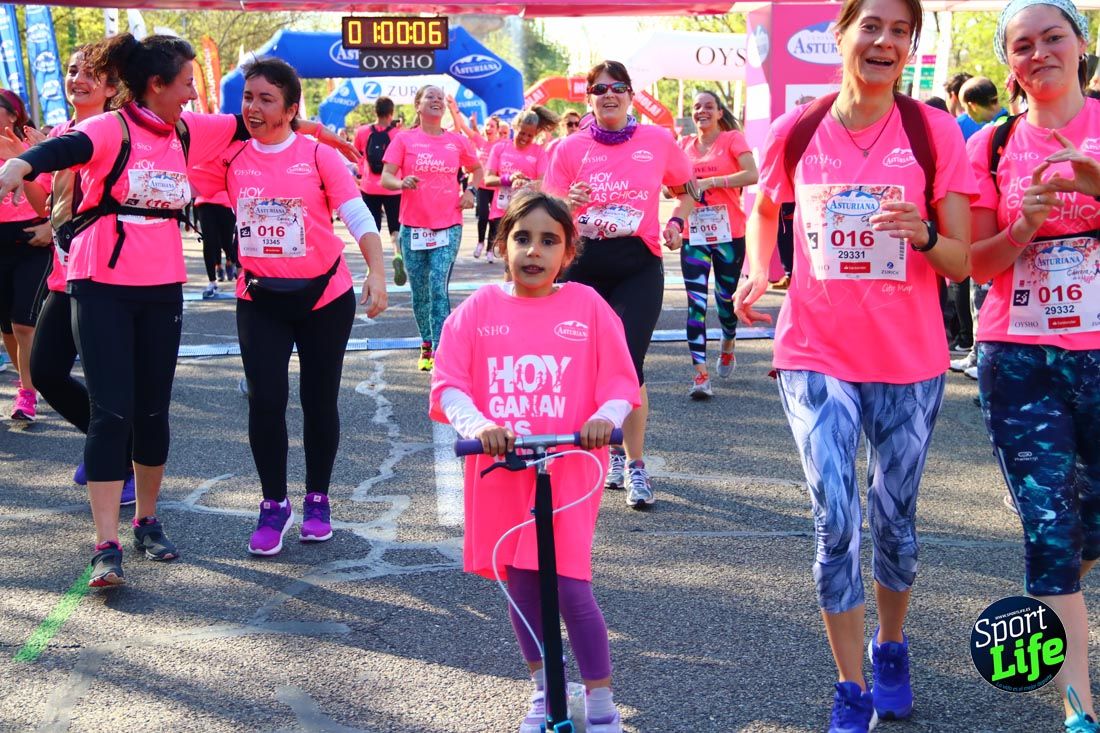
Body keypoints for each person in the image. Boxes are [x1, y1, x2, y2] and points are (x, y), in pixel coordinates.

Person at [0, 33, 353, 588]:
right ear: (157, 85)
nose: (195, 92)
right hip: (100, 281)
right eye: (187, 82)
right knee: (111, 412)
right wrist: (19, 163)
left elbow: (265, 125)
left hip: (162, 284)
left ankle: (147, 521)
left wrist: (321, 134)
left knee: (152, 414)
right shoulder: (108, 128)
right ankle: (105, 543)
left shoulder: (190, 129)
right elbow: (59, 152)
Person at [733, 0, 975, 729]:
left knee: (894, 522)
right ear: (841, 36)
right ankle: (850, 685)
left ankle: (891, 646)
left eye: (901, 31)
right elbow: (765, 206)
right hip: (815, 350)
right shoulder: (798, 128)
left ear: (910, 48)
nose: (885, 41)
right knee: (836, 518)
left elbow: (961, 260)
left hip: (910, 358)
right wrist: (756, 267)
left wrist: (923, 233)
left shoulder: (932, 132)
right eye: (871, 25)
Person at [429, 190, 640, 733]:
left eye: (550, 241)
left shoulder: (587, 306)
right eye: (523, 238)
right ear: (503, 244)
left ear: (569, 253)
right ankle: (545, 689)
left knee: (569, 582)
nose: (534, 251)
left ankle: (599, 698)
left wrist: (603, 417)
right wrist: (481, 428)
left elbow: (620, 380)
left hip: (567, 467)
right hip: (500, 467)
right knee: (521, 584)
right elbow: (450, 385)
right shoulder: (477, 309)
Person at [968, 1, 1100, 729]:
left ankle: (1050, 603)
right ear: (1009, 62)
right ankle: (1079, 706)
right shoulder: (989, 147)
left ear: (1080, 45)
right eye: (1023, 45)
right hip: (1018, 356)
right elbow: (976, 264)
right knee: (1050, 524)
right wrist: (1023, 223)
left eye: (1053, 38)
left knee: (1090, 527)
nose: (1039, 53)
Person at [220, 58, 387, 556]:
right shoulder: (229, 157)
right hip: (259, 298)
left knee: (319, 401)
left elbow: (356, 213)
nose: (253, 107)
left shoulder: (317, 156)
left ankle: (318, 499)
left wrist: (376, 271)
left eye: (266, 98)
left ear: (291, 108)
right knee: (266, 400)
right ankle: (274, 504)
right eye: (248, 97)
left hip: (324, 298)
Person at [543, 60, 693, 510]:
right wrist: (564, 203)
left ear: (630, 95)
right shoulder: (569, 148)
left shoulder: (658, 140)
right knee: (587, 363)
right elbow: (545, 212)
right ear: (588, 96)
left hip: (637, 265)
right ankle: (604, 449)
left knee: (629, 364)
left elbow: (688, 190)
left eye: (619, 88)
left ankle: (636, 465)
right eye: (600, 88)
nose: (610, 95)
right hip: (581, 267)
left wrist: (675, 222)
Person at [25, 46, 140, 506]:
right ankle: (112, 448)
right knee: (46, 372)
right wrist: (28, 167)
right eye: (74, 71)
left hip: (104, 277)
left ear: (113, 88)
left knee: (105, 377)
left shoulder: (118, 134)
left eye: (93, 75)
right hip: (62, 273)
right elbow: (49, 210)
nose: (79, 79)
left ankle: (120, 462)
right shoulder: (60, 134)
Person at [381, 84, 482, 372]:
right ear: (418, 106)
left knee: (438, 286)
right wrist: (401, 183)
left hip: (448, 225)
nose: (437, 100)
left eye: (440, 97)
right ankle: (426, 342)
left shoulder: (457, 142)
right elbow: (386, 177)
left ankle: (442, 349)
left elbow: (477, 170)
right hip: (413, 227)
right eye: (430, 97)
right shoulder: (404, 140)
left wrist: (471, 192)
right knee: (420, 292)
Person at [677, 90, 758, 399]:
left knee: (725, 302)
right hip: (693, 235)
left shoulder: (732, 139)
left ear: (719, 113)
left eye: (708, 106)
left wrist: (712, 182)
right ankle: (700, 375)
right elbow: (674, 186)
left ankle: (728, 341)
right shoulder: (683, 146)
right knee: (695, 306)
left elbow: (753, 174)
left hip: (728, 235)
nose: (702, 111)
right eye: (697, 107)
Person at [0, 90, 51, 423]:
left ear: (13, 115)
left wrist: (49, 225)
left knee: (24, 322)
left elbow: (56, 193)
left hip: (34, 239)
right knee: (6, 326)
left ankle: (28, 393)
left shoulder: (36, 146)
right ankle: (27, 378)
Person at [484, 107, 556, 257]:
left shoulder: (539, 153)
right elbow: (488, 179)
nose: (524, 138)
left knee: (517, 256)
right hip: (502, 211)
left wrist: (525, 184)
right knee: (508, 257)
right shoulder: (499, 148)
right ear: (514, 128)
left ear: (536, 134)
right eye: (521, 133)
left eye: (530, 135)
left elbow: (544, 183)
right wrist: (508, 179)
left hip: (527, 210)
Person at [355, 97, 405, 286]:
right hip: (392, 187)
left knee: (371, 227)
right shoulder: (398, 134)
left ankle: (372, 265)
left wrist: (361, 173)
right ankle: (398, 254)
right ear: (391, 113)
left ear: (375, 111)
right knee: (395, 227)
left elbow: (358, 155)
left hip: (369, 186)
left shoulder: (362, 132)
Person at [448, 98, 504, 261]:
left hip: (496, 187)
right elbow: (463, 128)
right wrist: (455, 110)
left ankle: (489, 249)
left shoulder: (502, 145)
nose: (488, 129)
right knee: (484, 215)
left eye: (492, 126)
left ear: (498, 129)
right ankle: (480, 242)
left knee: (494, 220)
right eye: (486, 125)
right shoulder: (480, 141)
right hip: (481, 185)